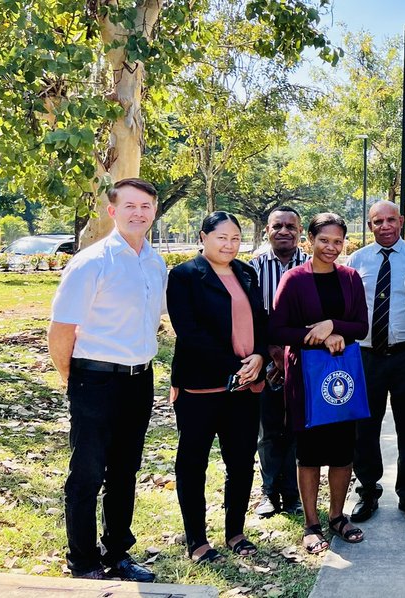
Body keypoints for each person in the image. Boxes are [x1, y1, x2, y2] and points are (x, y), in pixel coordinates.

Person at [47, 178, 167, 581]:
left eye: (146, 206)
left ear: (154, 211)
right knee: (87, 473)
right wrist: (72, 378)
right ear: (112, 211)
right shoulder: (92, 261)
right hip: (94, 380)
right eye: (130, 206)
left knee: (124, 471)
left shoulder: (155, 261)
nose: (139, 213)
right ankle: (82, 562)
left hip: (139, 380)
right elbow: (61, 329)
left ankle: (118, 554)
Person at [167, 212, 267, 563]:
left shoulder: (246, 273)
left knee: (241, 463)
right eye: (222, 237)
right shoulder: (184, 276)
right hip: (201, 389)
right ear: (204, 237)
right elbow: (190, 333)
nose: (229, 244)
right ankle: (196, 539)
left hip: (244, 390)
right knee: (193, 464)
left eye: (235, 238)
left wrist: (260, 358)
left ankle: (236, 532)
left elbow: (261, 320)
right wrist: (236, 365)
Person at [269, 213, 368, 553]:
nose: (331, 247)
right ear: (309, 240)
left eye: (338, 241)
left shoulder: (351, 278)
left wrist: (333, 326)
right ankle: (311, 524)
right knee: (309, 453)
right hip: (306, 378)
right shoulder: (294, 280)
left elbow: (361, 327)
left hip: (343, 379)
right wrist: (318, 337)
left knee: (342, 451)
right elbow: (278, 331)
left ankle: (337, 516)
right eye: (324, 240)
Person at [345, 201, 405, 522]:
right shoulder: (357, 260)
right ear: (370, 225)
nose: (386, 226)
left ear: (401, 221)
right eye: (378, 221)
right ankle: (367, 491)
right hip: (366, 356)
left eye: (391, 220)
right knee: (363, 429)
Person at [248, 206, 308, 518]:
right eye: (277, 226)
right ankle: (268, 493)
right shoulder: (253, 267)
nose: (284, 231)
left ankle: (294, 494)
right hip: (267, 362)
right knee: (268, 430)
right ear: (267, 230)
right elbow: (248, 316)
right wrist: (267, 350)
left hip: (302, 360)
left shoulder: (312, 267)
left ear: (300, 232)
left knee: (298, 428)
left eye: (290, 226)